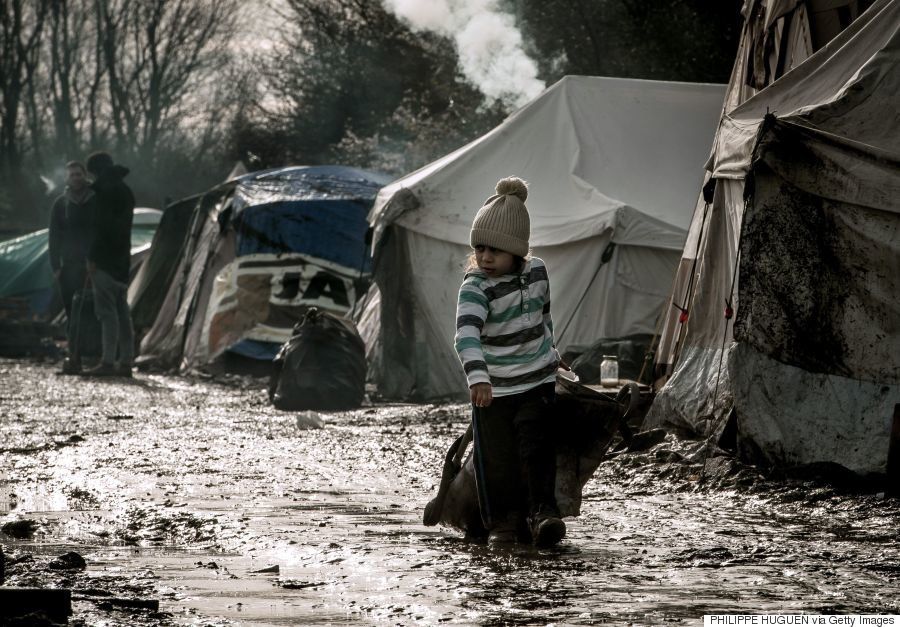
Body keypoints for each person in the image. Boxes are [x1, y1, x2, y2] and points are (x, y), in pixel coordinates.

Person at [453, 176, 566, 547]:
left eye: (496, 251)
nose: (485, 257)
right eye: (480, 248)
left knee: (538, 451)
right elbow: (466, 335)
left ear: (517, 252)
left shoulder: (537, 273)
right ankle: (503, 523)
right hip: (493, 389)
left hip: (537, 381)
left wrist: (553, 358)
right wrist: (478, 379)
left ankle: (542, 514)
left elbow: (543, 319)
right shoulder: (475, 287)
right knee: (496, 459)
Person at [83, 151, 135, 377]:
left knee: (107, 314)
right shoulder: (126, 191)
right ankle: (126, 362)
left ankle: (107, 362)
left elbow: (99, 229)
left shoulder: (103, 192)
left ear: (94, 171)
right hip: (122, 261)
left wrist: (92, 258)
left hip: (104, 261)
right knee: (123, 314)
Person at [48, 161, 96, 374]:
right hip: (69, 265)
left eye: (79, 174)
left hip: (92, 264)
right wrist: (55, 265)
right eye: (72, 175)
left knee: (93, 310)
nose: (75, 178)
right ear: (67, 179)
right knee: (71, 311)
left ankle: (93, 355)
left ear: (85, 176)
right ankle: (74, 356)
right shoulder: (61, 204)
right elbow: (54, 236)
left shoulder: (95, 200)